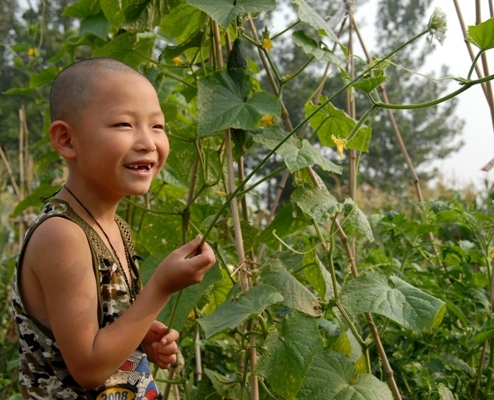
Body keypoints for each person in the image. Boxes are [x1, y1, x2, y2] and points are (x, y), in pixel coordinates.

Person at [11, 57, 216, 399]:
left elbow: (95, 333)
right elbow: (89, 368)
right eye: (124, 124)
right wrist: (160, 288)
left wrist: (137, 336)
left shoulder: (114, 226)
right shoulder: (62, 235)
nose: (148, 142)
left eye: (157, 126)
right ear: (67, 140)